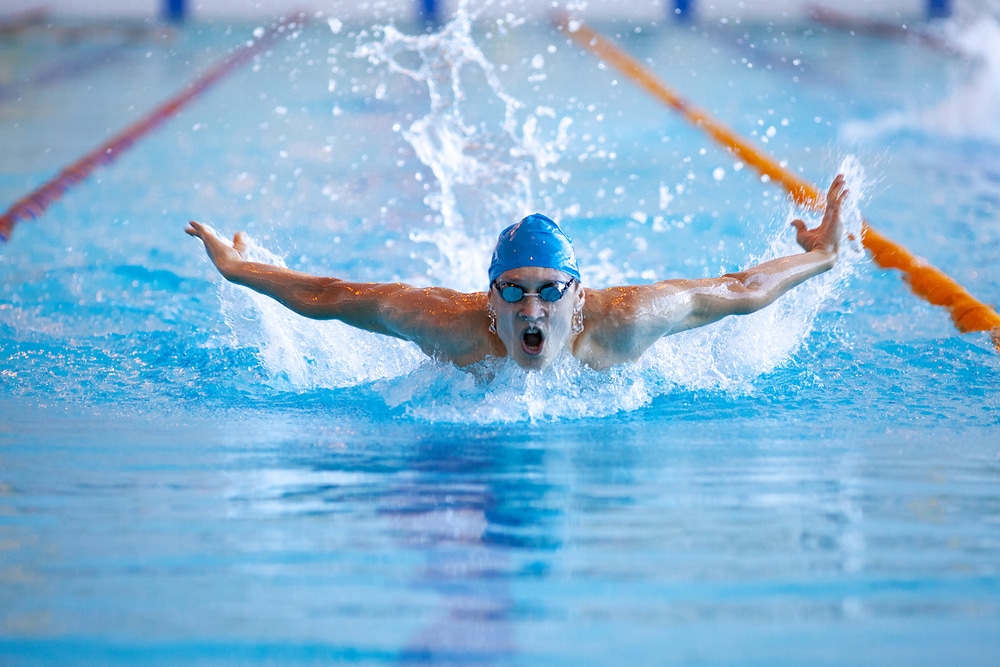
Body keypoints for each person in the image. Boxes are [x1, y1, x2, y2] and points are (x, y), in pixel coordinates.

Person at [186, 175, 847, 372]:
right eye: (514, 291)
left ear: (578, 296)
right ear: (490, 297)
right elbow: (331, 297)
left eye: (549, 291)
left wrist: (820, 255)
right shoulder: (450, 325)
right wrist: (242, 269)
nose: (532, 308)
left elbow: (736, 291)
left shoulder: (624, 324)